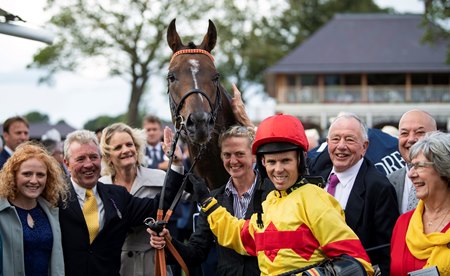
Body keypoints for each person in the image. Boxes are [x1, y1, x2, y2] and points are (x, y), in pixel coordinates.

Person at [170, 114, 374, 275]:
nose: (278, 170)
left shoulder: (315, 199)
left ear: (299, 161)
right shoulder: (269, 203)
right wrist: (208, 202)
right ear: (263, 163)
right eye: (271, 162)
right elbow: (238, 236)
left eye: (285, 161)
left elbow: (357, 264)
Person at [150, 125, 274, 275]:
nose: (233, 161)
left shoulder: (273, 193)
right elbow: (196, 252)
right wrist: (169, 241)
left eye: (239, 154)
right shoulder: (214, 198)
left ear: (253, 155)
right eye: (227, 155)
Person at [58, 129, 184, 276]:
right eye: (81, 159)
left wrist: (176, 164)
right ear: (67, 164)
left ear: (100, 158)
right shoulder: (55, 197)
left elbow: (158, 207)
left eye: (93, 157)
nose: (88, 164)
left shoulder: (117, 195)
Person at [309, 113, 399, 275]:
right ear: (327, 142)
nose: (341, 146)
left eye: (349, 139)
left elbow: (386, 252)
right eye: (335, 139)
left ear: (364, 147)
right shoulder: (315, 175)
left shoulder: (378, 188)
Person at [98, 123, 174, 276]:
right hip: (118, 266)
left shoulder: (159, 177)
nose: (126, 150)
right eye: (118, 147)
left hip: (154, 262)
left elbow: (190, 196)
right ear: (108, 156)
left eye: (129, 144)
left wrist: (176, 162)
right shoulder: (101, 186)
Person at [0, 142, 68, 275]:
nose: (34, 180)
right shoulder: (2, 212)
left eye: (40, 175)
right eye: (27, 174)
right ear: (13, 176)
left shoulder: (51, 211)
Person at [390, 131, 450, 274]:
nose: (411, 174)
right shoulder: (403, 223)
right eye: (411, 166)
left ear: (443, 169)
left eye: (419, 166)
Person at [387, 109, 437, 214]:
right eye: (404, 133)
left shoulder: (445, 179)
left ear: (436, 136)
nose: (411, 139)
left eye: (419, 133)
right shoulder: (389, 181)